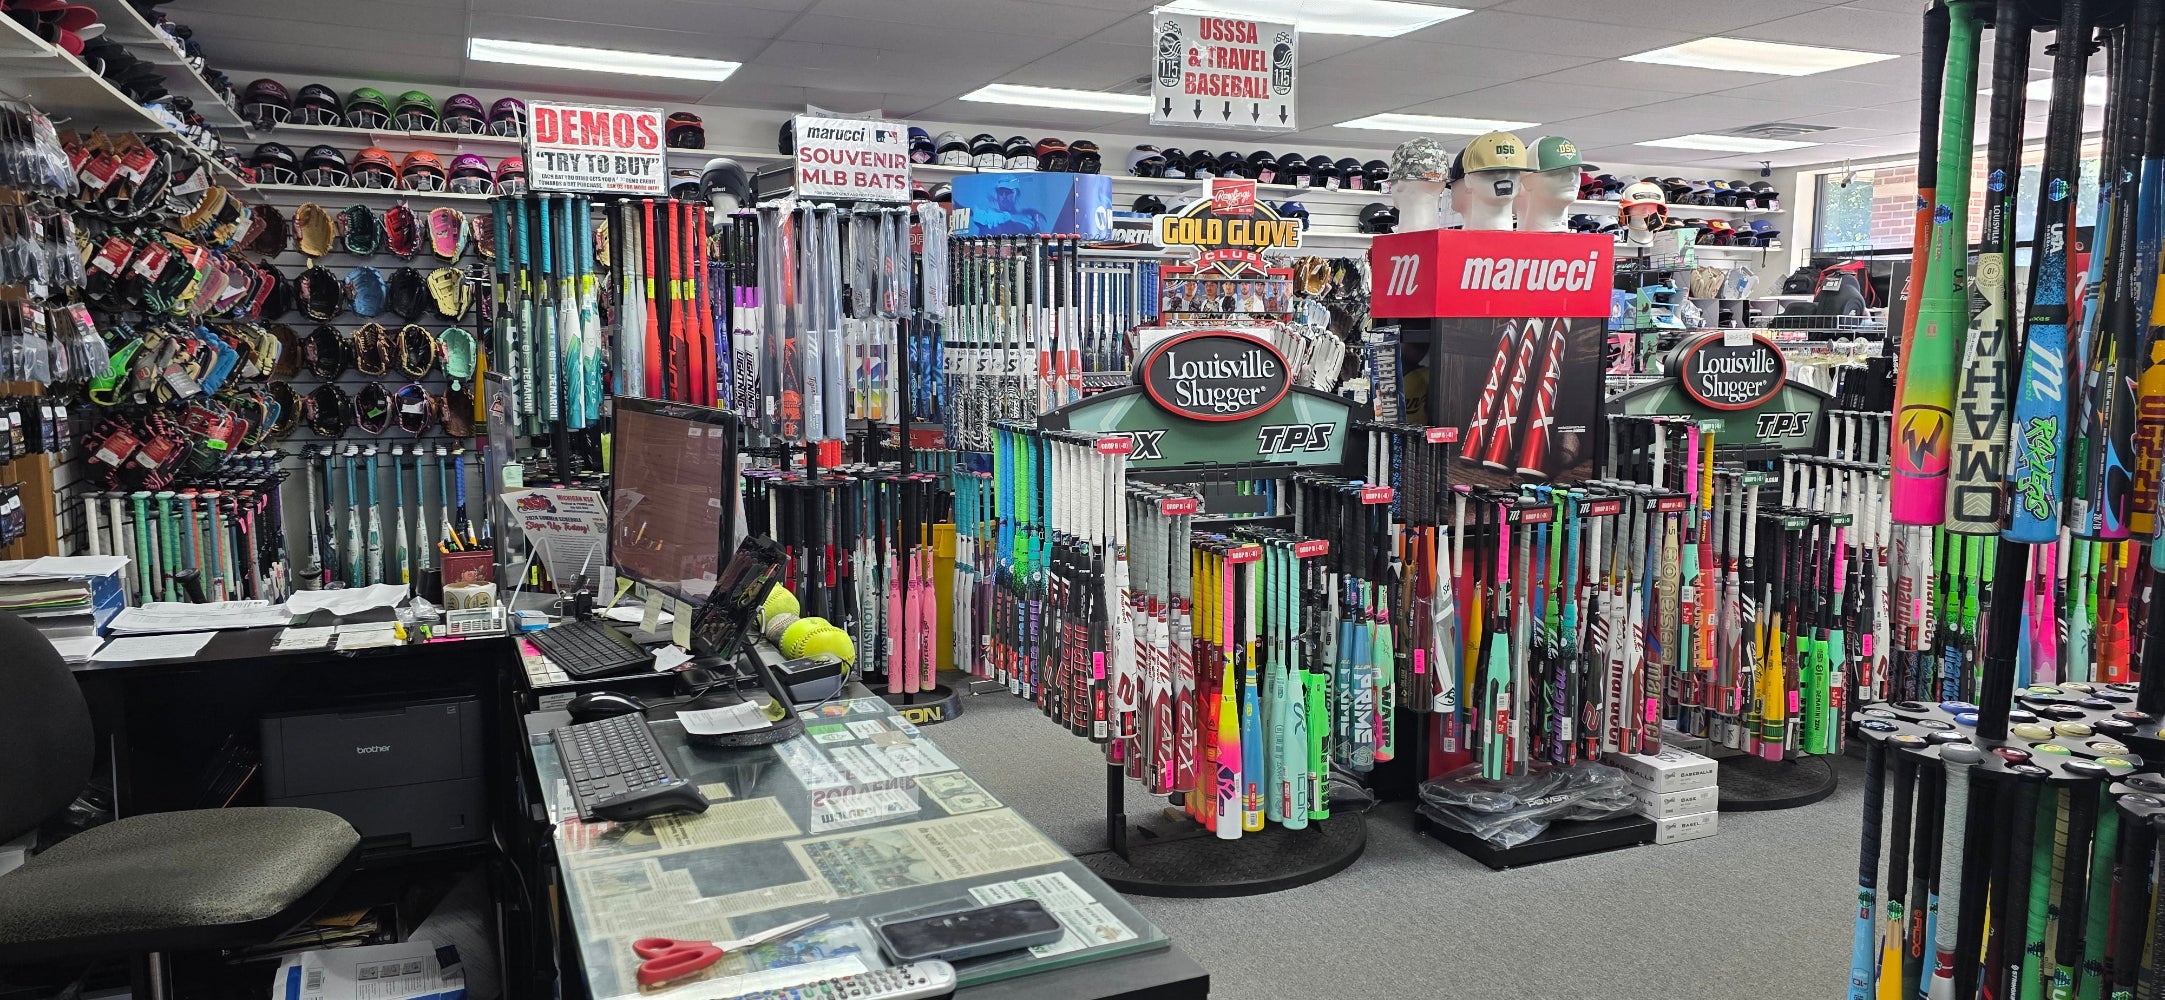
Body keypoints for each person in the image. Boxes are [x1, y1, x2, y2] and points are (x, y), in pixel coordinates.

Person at [972, 176, 1046, 236]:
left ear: (1017, 194)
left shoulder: (1027, 219)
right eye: (1000, 192)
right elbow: (976, 214)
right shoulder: (987, 214)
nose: (1004, 196)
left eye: (1008, 192)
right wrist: (1011, 217)